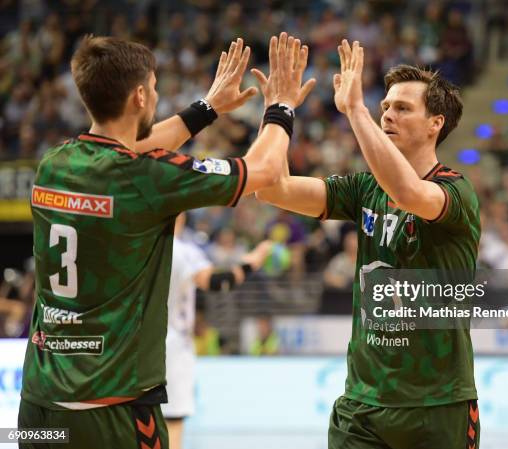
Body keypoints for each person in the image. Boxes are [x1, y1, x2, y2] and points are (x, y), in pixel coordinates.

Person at [18, 33, 314, 449]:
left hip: (37, 404)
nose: (156, 97)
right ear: (139, 96)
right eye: (155, 89)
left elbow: (131, 148)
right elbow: (262, 171)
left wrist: (206, 109)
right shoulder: (148, 177)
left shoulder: (54, 163)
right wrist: (282, 105)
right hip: (113, 406)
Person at [256, 40, 481, 449]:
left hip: (438, 404)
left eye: (403, 108)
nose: (388, 114)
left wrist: (357, 111)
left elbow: (409, 192)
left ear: (436, 123)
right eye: (385, 107)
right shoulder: (363, 189)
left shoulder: (456, 191)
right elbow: (271, 188)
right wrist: (279, 112)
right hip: (362, 406)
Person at [163, 212, 272, 449]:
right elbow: (219, 282)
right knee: (172, 421)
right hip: (172, 349)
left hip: (134, 346)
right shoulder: (183, 251)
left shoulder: (135, 245)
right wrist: (252, 261)